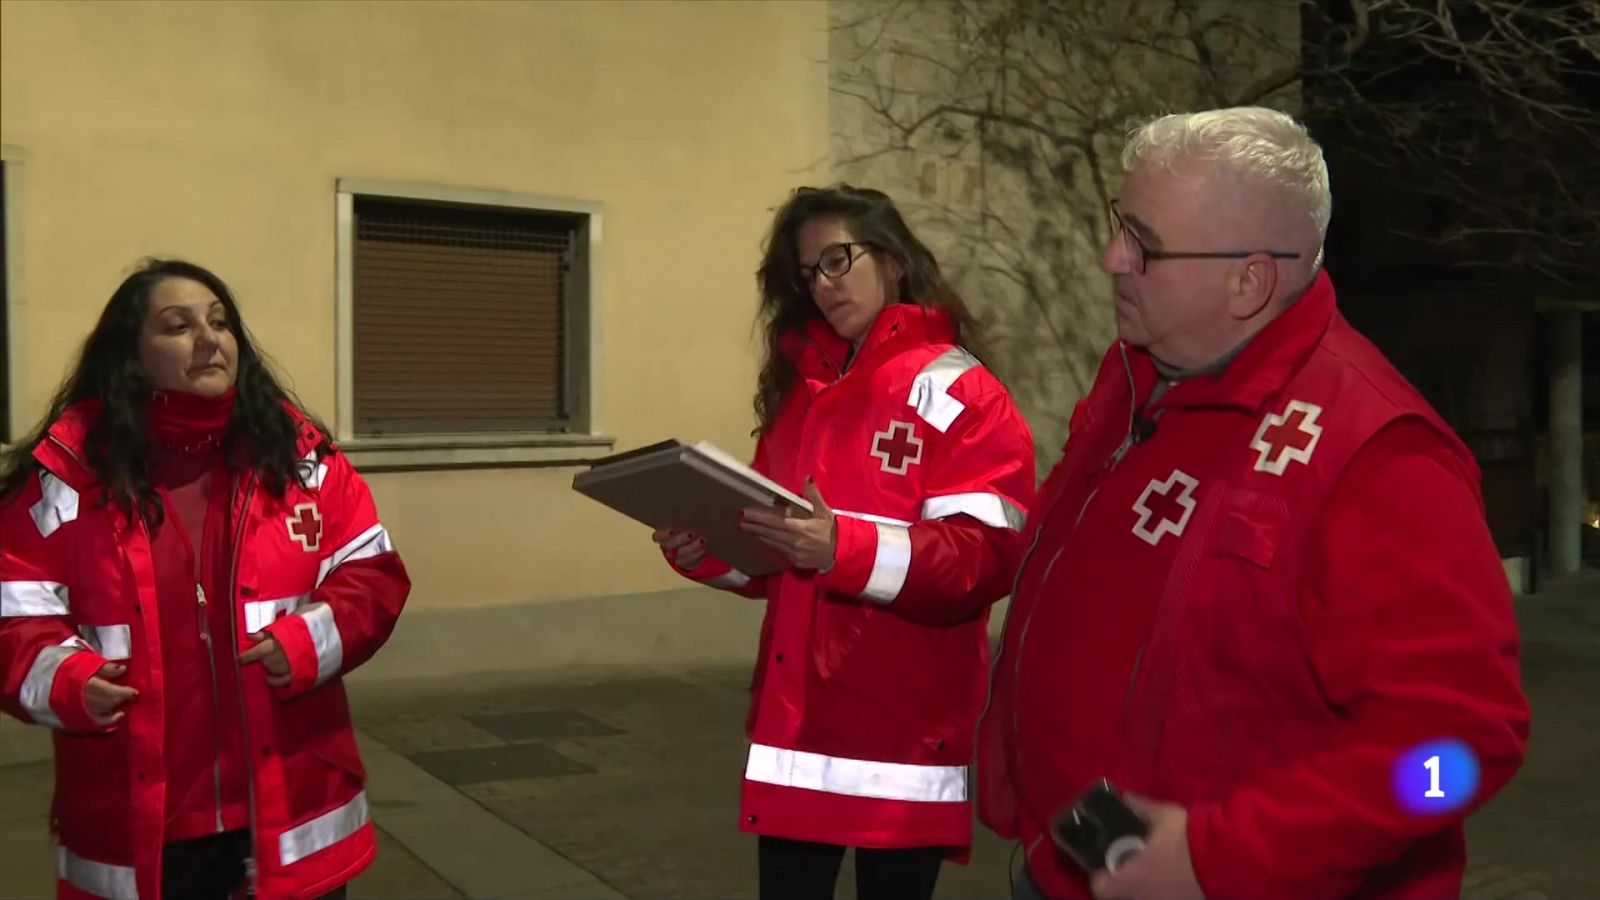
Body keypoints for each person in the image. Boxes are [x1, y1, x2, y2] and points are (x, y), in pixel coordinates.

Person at [977, 107, 1530, 900]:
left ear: (1251, 280)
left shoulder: (1381, 457)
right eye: (1117, 226)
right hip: (1062, 859)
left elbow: (1462, 751)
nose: (1111, 258)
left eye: (1143, 243)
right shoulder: (1137, 372)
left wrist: (1220, 857)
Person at [653, 184, 1036, 900]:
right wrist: (702, 548)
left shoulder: (959, 392)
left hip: (901, 733)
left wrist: (842, 548)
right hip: (796, 732)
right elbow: (774, 554)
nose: (823, 286)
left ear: (892, 261)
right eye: (808, 274)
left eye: (838, 260)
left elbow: (984, 557)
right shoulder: (806, 393)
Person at [0, 259, 410, 900]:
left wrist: (307, 643)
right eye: (178, 325)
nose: (209, 338)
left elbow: (373, 576)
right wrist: (68, 680)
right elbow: (12, 616)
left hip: (290, 809)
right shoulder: (67, 476)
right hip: (142, 823)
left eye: (220, 321)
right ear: (131, 355)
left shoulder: (301, 461)